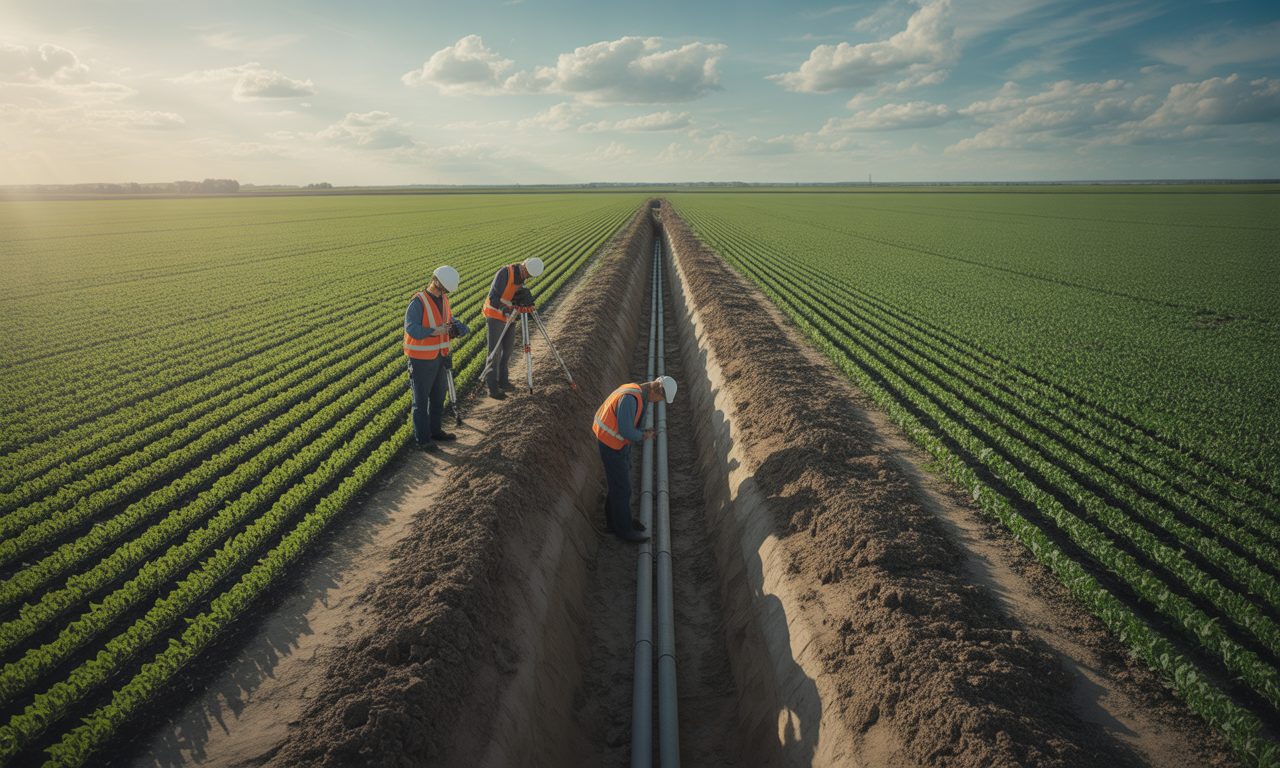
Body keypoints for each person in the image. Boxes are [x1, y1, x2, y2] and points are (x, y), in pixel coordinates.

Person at [591, 376, 677, 542]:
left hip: (616, 443)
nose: (657, 402)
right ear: (656, 391)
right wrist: (643, 435)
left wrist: (642, 431)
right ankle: (624, 531)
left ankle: (615, 522)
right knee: (622, 488)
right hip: (610, 444)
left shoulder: (637, 392)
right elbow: (626, 431)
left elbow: (628, 426)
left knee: (617, 484)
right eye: (660, 399)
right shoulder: (631, 399)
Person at [404, 265, 468, 453]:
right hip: (421, 359)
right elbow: (411, 328)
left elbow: (446, 318)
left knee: (439, 397)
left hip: (440, 356)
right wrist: (434, 332)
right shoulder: (418, 302)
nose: (446, 293)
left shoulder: (444, 299)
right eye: (445, 289)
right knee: (421, 401)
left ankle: (435, 431)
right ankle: (423, 440)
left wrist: (456, 325)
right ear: (436, 282)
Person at [481, 257, 544, 399]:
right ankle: (492, 388)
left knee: (508, 349)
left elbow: (513, 296)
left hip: (510, 316)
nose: (526, 278)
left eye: (529, 277)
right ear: (523, 267)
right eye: (526, 274)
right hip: (495, 315)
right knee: (495, 351)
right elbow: (493, 297)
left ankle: (504, 381)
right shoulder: (505, 273)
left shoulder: (521, 278)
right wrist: (506, 309)